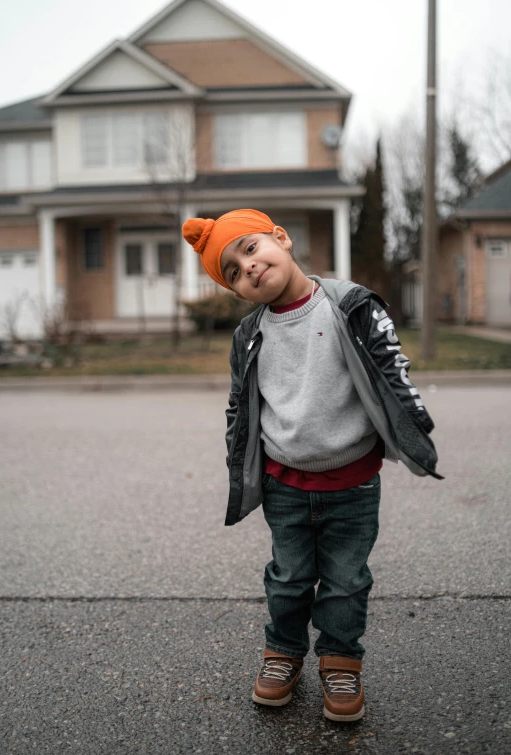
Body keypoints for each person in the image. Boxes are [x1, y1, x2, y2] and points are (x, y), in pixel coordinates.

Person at [182, 209, 442, 722]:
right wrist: (238, 457)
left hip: (353, 481)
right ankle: (282, 653)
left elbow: (391, 364)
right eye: (232, 270)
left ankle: (341, 660)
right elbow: (241, 402)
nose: (248, 268)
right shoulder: (250, 334)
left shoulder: (349, 305)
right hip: (285, 483)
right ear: (236, 293)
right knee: (289, 577)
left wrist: (414, 420)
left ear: (281, 238)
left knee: (346, 579)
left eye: (251, 249)